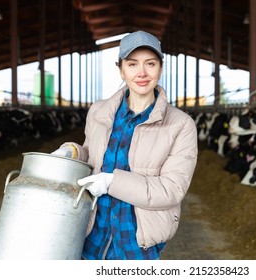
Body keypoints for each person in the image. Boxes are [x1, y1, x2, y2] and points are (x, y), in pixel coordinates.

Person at [52, 30, 198, 260]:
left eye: (150, 64)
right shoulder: (99, 111)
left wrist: (111, 182)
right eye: (132, 64)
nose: (141, 73)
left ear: (161, 68)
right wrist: (71, 152)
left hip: (137, 244)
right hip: (91, 235)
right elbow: (91, 156)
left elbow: (172, 189)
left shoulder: (181, 125)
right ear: (120, 69)